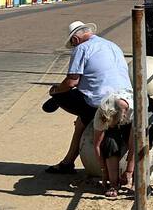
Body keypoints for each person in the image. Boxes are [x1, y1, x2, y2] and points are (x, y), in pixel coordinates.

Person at [43, 21, 130, 175]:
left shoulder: (81, 48)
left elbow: (71, 82)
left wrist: (55, 91)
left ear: (75, 40)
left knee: (60, 93)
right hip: (125, 97)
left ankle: (55, 100)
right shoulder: (112, 45)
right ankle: (67, 162)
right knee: (81, 122)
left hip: (98, 102)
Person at [92, 91, 153, 196]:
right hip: (120, 112)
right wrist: (104, 171)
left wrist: (129, 170)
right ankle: (114, 183)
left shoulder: (136, 109)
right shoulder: (102, 112)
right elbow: (97, 144)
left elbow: (134, 143)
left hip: (143, 108)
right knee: (110, 141)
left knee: (147, 135)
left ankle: (137, 180)